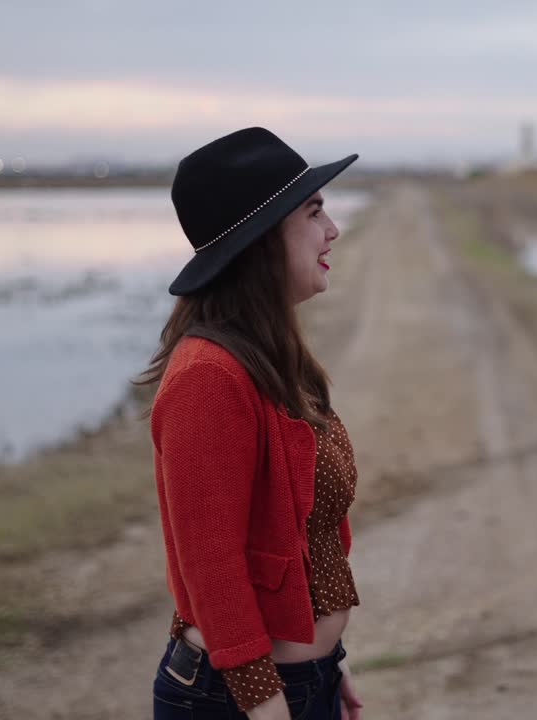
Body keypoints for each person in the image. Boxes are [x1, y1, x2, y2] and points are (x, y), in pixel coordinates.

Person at [138, 127, 365, 720]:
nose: (332, 230)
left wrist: (329, 662)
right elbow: (211, 568)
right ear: (263, 239)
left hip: (300, 681)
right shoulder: (209, 377)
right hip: (234, 698)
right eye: (315, 212)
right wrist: (264, 699)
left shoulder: (273, 357)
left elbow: (309, 535)